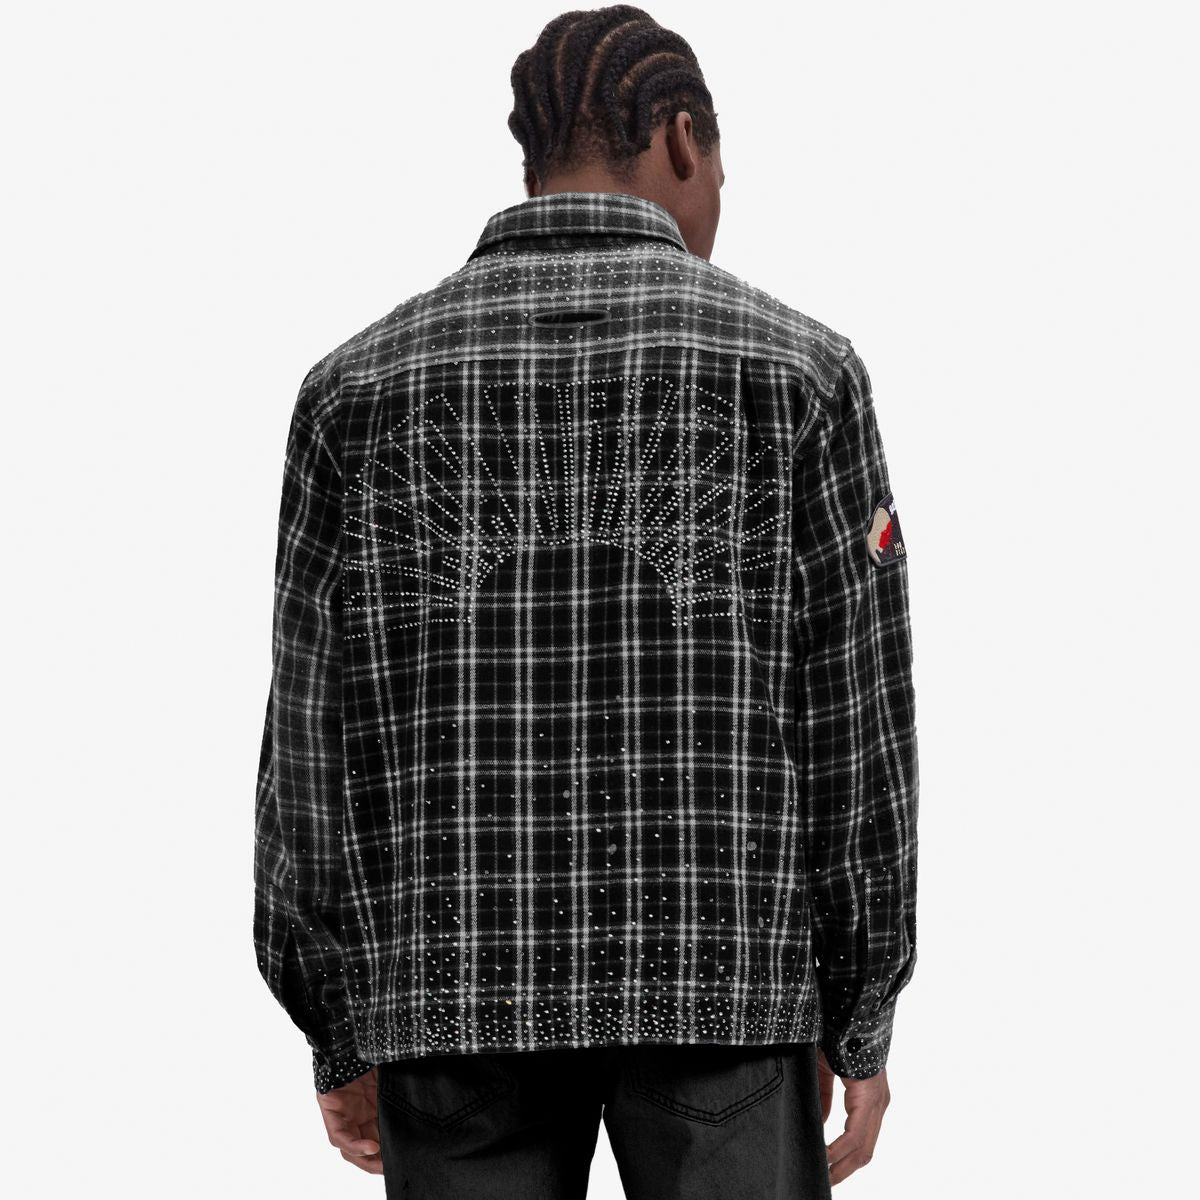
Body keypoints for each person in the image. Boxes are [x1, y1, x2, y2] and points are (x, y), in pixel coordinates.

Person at [252, 6, 918, 1196]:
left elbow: (309, 746)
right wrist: (858, 1010)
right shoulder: (801, 375)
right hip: (726, 989)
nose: (722, 192)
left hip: (449, 995)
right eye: (722, 162)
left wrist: (338, 1020)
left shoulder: (353, 391)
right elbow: (856, 731)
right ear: (681, 139)